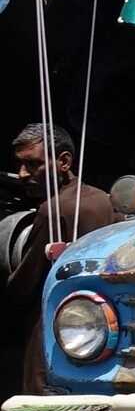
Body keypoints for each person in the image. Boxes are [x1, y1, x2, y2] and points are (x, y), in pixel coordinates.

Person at [7, 123, 116, 392]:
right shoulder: (102, 199)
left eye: (33, 164)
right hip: (100, 330)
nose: (22, 174)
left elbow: (25, 284)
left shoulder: (52, 211)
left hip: (53, 331)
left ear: (64, 162)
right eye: (20, 164)